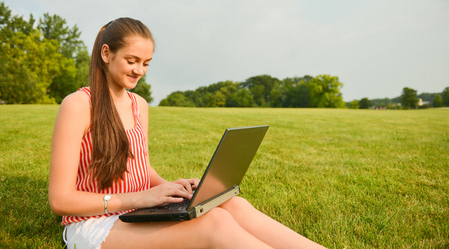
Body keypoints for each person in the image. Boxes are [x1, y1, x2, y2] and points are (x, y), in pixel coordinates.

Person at [48, 17, 326, 249]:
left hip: (134, 212)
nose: (139, 71)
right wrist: (140, 198)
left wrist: (173, 189)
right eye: (132, 60)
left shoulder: (139, 105)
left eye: (146, 63)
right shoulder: (78, 105)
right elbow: (61, 200)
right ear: (106, 53)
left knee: (234, 205)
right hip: (93, 225)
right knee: (216, 224)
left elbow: (138, 167)